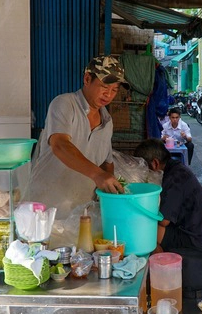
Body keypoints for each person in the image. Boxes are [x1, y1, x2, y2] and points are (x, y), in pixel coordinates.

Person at [24, 55, 129, 219]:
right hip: (44, 210)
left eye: (114, 90)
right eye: (104, 86)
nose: (108, 94)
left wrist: (110, 193)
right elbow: (59, 145)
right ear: (87, 79)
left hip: (80, 213)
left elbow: (106, 164)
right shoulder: (64, 104)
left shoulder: (107, 121)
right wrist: (98, 175)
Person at [133, 138, 202, 253]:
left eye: (144, 168)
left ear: (155, 163)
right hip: (197, 232)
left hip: (197, 240)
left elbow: (163, 221)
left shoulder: (174, 178)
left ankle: (161, 264)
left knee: (143, 229)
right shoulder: (175, 168)